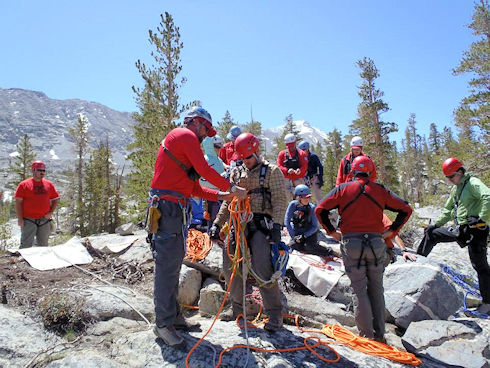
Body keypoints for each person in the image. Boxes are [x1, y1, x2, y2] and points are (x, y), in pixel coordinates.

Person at [149, 106, 247, 348]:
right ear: (195, 122)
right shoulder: (184, 136)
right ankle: (163, 324)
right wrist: (231, 188)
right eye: (205, 128)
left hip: (175, 208)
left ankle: (172, 317)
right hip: (169, 208)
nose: (206, 134)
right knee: (167, 267)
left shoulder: (184, 144)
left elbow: (193, 187)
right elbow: (204, 171)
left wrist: (220, 196)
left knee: (173, 263)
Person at [315, 156, 412, 342]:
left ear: (352, 171)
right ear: (370, 171)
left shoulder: (343, 189)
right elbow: (406, 209)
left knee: (360, 289)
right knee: (376, 288)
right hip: (376, 244)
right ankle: (380, 335)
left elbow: (320, 209)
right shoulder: (380, 190)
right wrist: (391, 231)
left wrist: (332, 232)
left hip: (351, 244)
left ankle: (366, 336)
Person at [210, 132, 287, 332]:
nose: (246, 161)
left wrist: (277, 226)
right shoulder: (236, 173)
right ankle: (238, 311)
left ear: (257, 152)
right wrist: (217, 224)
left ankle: (275, 315)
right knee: (230, 267)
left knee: (263, 270)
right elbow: (230, 201)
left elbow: (280, 201)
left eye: (249, 157)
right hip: (238, 226)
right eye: (242, 158)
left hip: (261, 226)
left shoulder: (272, 172)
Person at [417, 157, 489, 314]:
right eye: (447, 178)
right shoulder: (456, 189)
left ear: (461, 172)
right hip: (462, 229)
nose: (450, 180)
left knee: (480, 266)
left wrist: (481, 217)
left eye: (452, 176)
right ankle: (416, 261)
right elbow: (448, 210)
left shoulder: (473, 183)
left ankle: (487, 303)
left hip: (476, 229)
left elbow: (487, 196)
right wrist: (436, 224)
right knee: (432, 234)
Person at [14, 161, 59, 249]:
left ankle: (42, 262)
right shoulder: (24, 185)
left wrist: (51, 212)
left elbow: (55, 199)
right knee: (26, 244)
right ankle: (24, 261)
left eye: (44, 170)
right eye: (39, 170)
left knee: (43, 245)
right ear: (33, 170)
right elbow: (18, 203)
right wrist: (20, 219)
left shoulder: (49, 184)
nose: (42, 172)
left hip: (44, 219)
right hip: (28, 219)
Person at [284, 184, 332, 257]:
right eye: (304, 197)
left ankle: (329, 250)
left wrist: (304, 236)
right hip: (297, 233)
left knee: (309, 247)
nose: (307, 199)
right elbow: (287, 221)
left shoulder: (312, 208)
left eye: (308, 197)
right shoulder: (292, 205)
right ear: (298, 197)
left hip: (309, 234)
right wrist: (293, 236)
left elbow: (315, 226)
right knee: (294, 246)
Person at [200, 135, 226, 227]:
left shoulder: (218, 160)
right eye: (216, 146)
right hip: (210, 197)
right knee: (213, 223)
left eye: (220, 146)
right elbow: (202, 180)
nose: (219, 149)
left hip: (221, 195)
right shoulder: (205, 160)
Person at [277, 133, 308, 200]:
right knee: (285, 199)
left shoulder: (301, 153)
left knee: (301, 199)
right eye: (289, 146)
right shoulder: (282, 154)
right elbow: (279, 166)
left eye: (292, 145)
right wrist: (287, 170)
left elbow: (305, 166)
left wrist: (300, 170)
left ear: (295, 143)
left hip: (298, 179)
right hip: (286, 180)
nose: (291, 148)